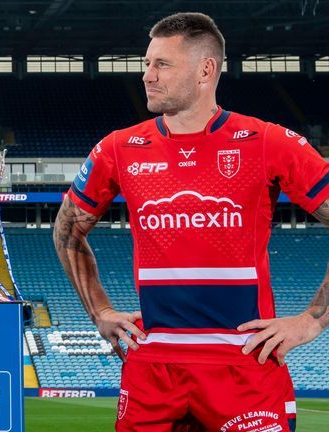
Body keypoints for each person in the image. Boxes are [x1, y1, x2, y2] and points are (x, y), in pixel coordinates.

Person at [53, 12, 329, 432]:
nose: (148, 75)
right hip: (152, 368)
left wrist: (311, 320)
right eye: (147, 63)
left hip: (244, 364)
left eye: (162, 64)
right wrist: (100, 312)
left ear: (206, 70)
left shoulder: (267, 142)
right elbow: (67, 229)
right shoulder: (120, 147)